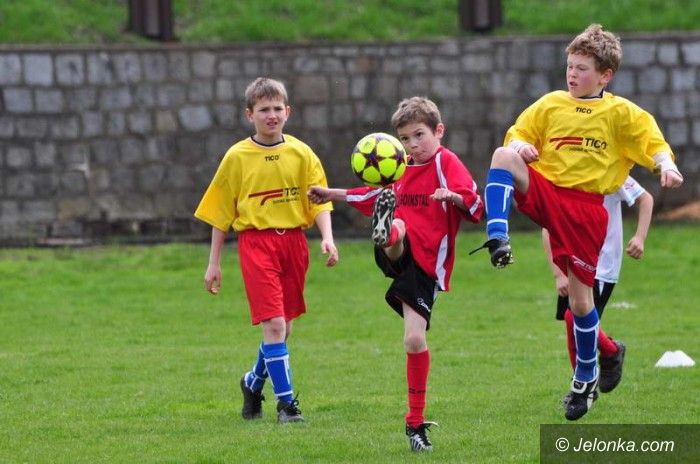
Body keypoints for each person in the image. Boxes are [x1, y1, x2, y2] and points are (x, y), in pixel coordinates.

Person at [470, 24, 683, 421]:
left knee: (580, 304)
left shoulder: (621, 113)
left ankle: (586, 378)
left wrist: (665, 165)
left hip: (586, 211)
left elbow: (652, 142)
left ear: (605, 76)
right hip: (550, 191)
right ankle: (497, 235)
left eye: (582, 69)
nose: (572, 74)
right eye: (570, 66)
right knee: (502, 156)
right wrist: (521, 146)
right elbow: (518, 134)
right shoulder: (551, 104)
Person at [308, 97, 484, 452]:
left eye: (419, 135)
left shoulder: (445, 162)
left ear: (438, 131)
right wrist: (330, 194)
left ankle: (415, 424)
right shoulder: (398, 166)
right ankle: (388, 231)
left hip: (426, 267)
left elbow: (477, 206)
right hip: (400, 251)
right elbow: (369, 194)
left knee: (414, 341)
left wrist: (452, 196)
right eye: (404, 138)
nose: (412, 145)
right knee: (397, 224)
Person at [194, 77, 339, 424]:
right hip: (256, 244)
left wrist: (328, 237)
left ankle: (252, 382)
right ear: (250, 114)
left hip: (294, 243)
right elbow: (220, 213)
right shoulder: (237, 157)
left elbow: (319, 200)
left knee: (284, 328)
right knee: (273, 325)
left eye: (277, 109)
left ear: (288, 111)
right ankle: (287, 405)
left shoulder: (302, 153)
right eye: (263, 110)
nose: (271, 115)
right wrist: (213, 263)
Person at [542, 175, 654, 401]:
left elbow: (646, 199)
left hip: (602, 265)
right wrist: (558, 273)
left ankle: (602, 362)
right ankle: (589, 378)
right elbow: (548, 226)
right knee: (572, 323)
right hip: (571, 261)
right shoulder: (562, 171)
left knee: (574, 318)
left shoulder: (612, 171)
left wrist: (640, 237)